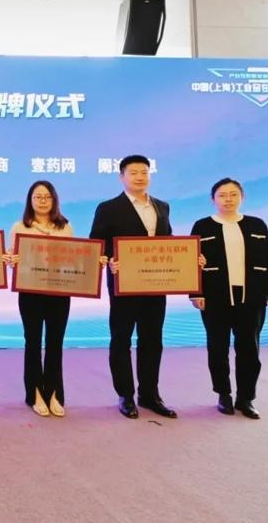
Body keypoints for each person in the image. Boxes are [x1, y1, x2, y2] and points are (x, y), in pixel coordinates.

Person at [89, 154, 188, 419]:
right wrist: (110, 259)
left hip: (156, 284)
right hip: (124, 285)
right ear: (121, 177)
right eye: (133, 173)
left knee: (153, 339)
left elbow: (167, 241)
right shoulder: (108, 208)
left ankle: (149, 394)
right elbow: (97, 244)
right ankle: (125, 395)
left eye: (144, 172)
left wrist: (188, 258)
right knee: (121, 339)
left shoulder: (162, 206)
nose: (140, 177)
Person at [5, 180, 107, 417]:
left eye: (47, 197)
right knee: (32, 343)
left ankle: (54, 393)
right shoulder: (19, 227)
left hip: (59, 294)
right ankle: (35, 394)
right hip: (30, 293)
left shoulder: (65, 226)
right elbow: (15, 260)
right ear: (30, 201)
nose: (42, 201)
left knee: (55, 343)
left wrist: (94, 261)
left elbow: (73, 258)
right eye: (37, 197)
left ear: (54, 200)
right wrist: (12, 262)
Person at [189, 178, 268, 419]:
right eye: (222, 195)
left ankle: (246, 398)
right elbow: (190, 261)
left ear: (242, 197)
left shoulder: (257, 224)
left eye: (233, 194)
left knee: (249, 348)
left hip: (252, 296)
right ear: (213, 200)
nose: (228, 199)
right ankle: (223, 394)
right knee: (217, 347)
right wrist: (196, 292)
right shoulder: (202, 226)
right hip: (214, 297)